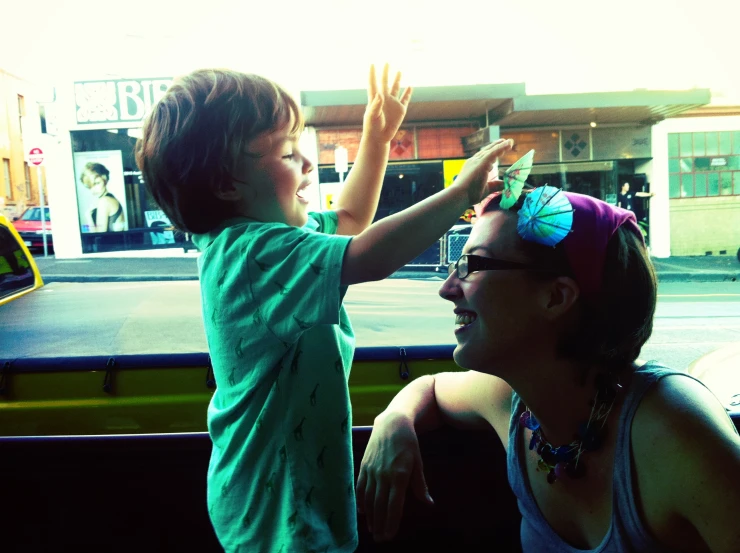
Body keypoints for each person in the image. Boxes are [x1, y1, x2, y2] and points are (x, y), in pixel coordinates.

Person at [135, 64, 514, 553]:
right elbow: (371, 253)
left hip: (284, 496)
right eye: (289, 153)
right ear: (228, 183)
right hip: (281, 512)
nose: (308, 165)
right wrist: (460, 194)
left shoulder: (265, 243)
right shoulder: (254, 254)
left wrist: (376, 139)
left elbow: (353, 219)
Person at [356, 187, 740, 552]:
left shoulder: (674, 430)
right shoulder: (512, 402)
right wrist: (395, 420)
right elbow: (432, 387)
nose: (447, 288)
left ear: (555, 297)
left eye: (472, 265)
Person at [79, 162, 126, 232]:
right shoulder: (110, 198)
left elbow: (99, 234)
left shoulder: (104, 201)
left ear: (105, 179)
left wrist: (88, 216)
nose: (94, 189)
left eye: (97, 183)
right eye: (90, 186)